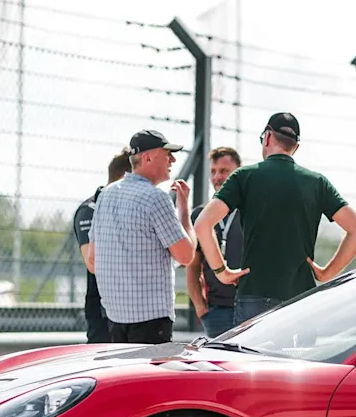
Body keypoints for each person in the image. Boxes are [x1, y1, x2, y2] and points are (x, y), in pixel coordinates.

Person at [193, 112, 356, 325]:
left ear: (267, 137)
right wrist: (326, 273)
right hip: (301, 297)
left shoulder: (244, 177)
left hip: (253, 295)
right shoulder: (317, 183)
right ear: (295, 147)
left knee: (250, 359)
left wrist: (222, 272)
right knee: (293, 359)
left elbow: (202, 224)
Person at [89, 129, 246, 344]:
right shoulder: (156, 198)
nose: (172, 159)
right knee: (148, 377)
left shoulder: (105, 195)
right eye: (167, 154)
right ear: (148, 157)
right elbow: (186, 256)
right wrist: (183, 210)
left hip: (115, 318)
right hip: (151, 320)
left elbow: (92, 259)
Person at [72, 147, 132, 342]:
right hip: (102, 313)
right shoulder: (90, 209)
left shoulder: (132, 208)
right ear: (125, 177)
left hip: (135, 311)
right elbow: (93, 262)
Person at [187, 146, 244, 337]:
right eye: (213, 171)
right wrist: (200, 308)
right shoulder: (199, 215)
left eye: (224, 171)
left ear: (238, 173)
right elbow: (192, 266)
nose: (217, 177)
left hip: (251, 308)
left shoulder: (251, 212)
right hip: (216, 312)